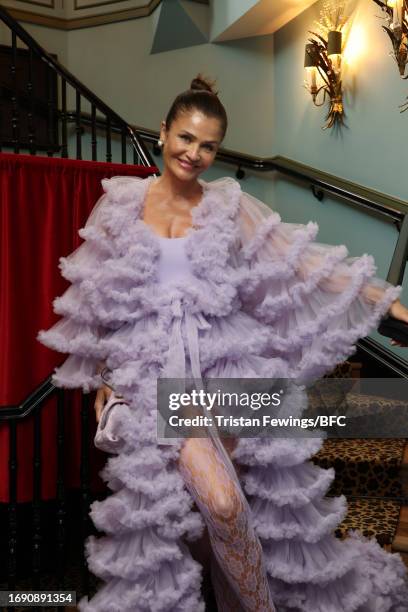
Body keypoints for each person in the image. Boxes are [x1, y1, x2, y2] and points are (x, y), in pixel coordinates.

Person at [37, 74, 408, 612]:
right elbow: (103, 299)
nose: (195, 153)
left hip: (227, 372)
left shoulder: (229, 205)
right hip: (161, 382)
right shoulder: (121, 205)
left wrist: (389, 303)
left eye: (208, 145)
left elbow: (300, 264)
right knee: (223, 503)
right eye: (186, 138)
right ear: (164, 132)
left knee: (227, 516)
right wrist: (104, 376)